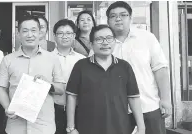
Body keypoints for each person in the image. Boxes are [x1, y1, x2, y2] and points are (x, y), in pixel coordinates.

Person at [105, 1, 171, 134]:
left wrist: (165, 99)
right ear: (108, 20)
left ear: (130, 18)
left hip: (148, 106)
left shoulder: (147, 38)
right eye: (113, 16)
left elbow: (160, 69)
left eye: (123, 15)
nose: (118, 19)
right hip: (116, 111)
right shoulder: (101, 42)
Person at [66, 24, 145, 134]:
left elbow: (133, 98)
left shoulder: (124, 66)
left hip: (120, 128)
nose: (105, 42)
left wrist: (141, 128)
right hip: (87, 128)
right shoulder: (81, 66)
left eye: (109, 38)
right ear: (91, 44)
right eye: (99, 39)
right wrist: (71, 128)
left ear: (114, 41)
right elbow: (71, 97)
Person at [0, 15, 65, 134]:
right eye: (25, 31)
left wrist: (48, 84)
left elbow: (61, 89)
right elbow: (1, 88)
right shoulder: (8, 60)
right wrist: (7, 107)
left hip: (44, 127)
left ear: (40, 33)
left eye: (33, 30)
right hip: (15, 127)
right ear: (18, 34)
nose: (29, 35)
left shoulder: (52, 59)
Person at [52, 19, 85, 134]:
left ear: (74, 35)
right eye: (60, 33)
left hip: (78, 109)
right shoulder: (47, 58)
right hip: (53, 109)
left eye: (68, 33)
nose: (64, 36)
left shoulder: (82, 59)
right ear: (54, 36)